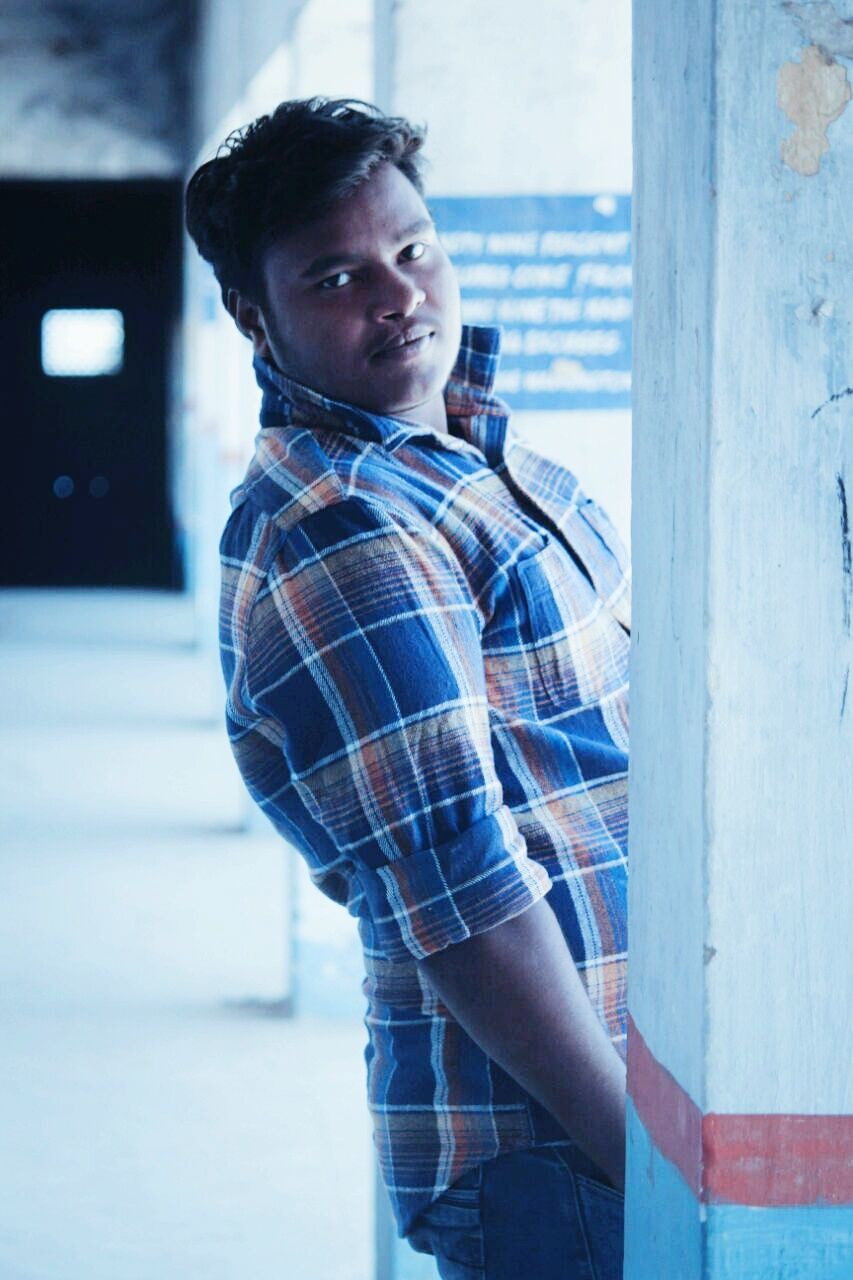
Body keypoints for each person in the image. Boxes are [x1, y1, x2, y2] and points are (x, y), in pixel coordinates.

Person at [185, 97, 630, 1280]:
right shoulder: (347, 529)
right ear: (254, 315)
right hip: (558, 1145)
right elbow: (466, 901)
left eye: (413, 248)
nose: (399, 294)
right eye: (337, 275)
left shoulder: (465, 452)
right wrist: (651, 1166)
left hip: (613, 1091)